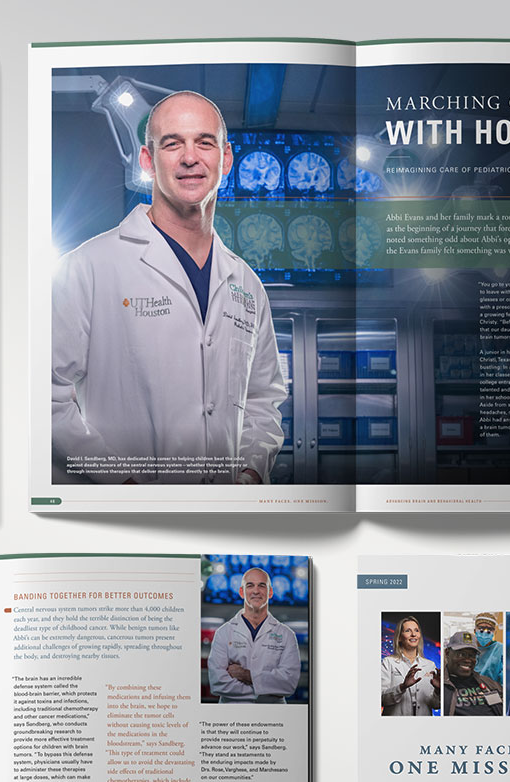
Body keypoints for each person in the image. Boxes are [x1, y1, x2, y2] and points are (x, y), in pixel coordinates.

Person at [51, 90, 286, 485]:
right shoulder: (89, 266)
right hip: (127, 520)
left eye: (204, 143)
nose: (190, 157)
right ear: (148, 161)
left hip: (224, 515)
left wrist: (250, 472)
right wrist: (120, 484)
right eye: (172, 144)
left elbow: (264, 399)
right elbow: (42, 395)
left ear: (225, 159)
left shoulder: (247, 284)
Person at [208, 567, 302, 703]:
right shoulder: (224, 632)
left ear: (270, 592)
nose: (256, 591)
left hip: (272, 718)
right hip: (232, 715)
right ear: (242, 592)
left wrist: (246, 675)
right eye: (250, 585)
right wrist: (266, 689)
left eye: (262, 586)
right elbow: (218, 683)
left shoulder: (287, 635)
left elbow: (288, 684)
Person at [380, 615, 438, 716]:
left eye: (416, 630)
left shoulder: (430, 665)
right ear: (399, 638)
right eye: (408, 631)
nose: (413, 634)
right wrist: (402, 687)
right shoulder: (388, 662)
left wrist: (439, 690)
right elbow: (381, 699)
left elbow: (436, 705)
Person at [441, 631, 504, 716]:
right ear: (447, 653)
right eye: (461, 654)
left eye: (472, 655)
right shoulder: (440, 685)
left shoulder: (487, 683)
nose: (467, 660)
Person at [473, 612, 507, 686]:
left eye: (489, 629)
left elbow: (504, 676)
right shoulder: (469, 647)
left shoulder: (500, 649)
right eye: (481, 629)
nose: (485, 632)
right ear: (475, 631)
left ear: (495, 632)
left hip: (492, 689)